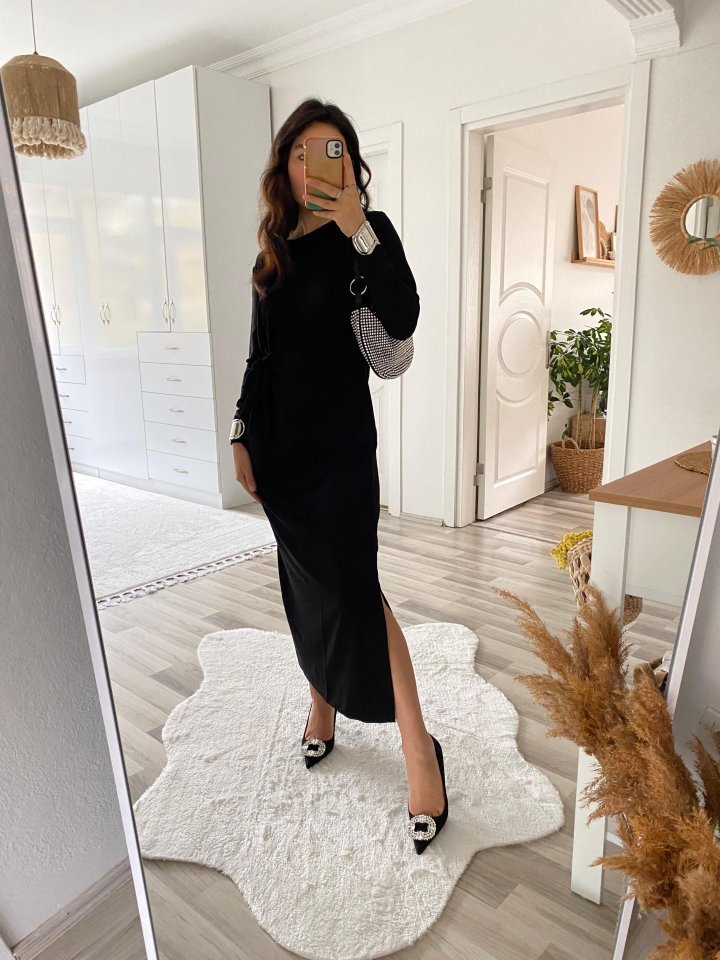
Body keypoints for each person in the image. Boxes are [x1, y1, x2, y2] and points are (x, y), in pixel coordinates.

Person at [229, 99, 448, 853]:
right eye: (301, 152)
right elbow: (259, 357)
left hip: (341, 455)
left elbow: (404, 318)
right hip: (280, 458)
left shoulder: (368, 234)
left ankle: (419, 752)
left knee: (357, 591)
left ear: (351, 164)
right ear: (284, 166)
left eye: (332, 151)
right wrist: (241, 433)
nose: (314, 164)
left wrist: (357, 226)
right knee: (307, 589)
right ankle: (322, 704)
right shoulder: (271, 254)